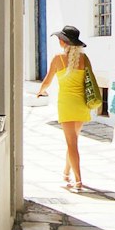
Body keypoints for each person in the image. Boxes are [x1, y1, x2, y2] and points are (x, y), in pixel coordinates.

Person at [37, 24, 97, 191]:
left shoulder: (58, 59)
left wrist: (40, 91)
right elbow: (91, 80)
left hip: (66, 106)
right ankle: (65, 173)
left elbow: (47, 81)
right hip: (81, 106)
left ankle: (78, 180)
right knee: (73, 141)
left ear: (63, 42)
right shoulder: (84, 59)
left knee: (72, 144)